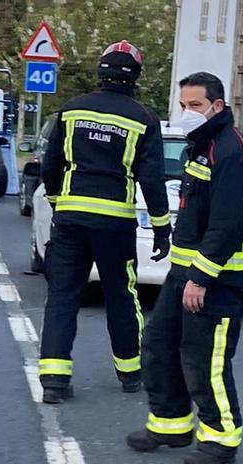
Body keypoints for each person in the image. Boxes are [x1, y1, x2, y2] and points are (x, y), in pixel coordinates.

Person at [125, 72, 243, 464]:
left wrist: (201, 277)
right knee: (158, 345)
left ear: (217, 106)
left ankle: (221, 439)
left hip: (215, 280)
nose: (187, 113)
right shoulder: (203, 146)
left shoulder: (232, 152)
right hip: (184, 274)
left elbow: (227, 224)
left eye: (195, 106)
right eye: (183, 106)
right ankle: (170, 424)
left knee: (205, 361)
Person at [38, 40, 172, 404]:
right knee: (122, 296)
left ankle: (54, 379)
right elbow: (151, 178)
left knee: (63, 296)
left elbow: (51, 166)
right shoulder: (143, 119)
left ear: (101, 72)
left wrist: (56, 202)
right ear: (135, 77)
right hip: (115, 223)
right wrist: (161, 228)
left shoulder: (71, 110)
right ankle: (130, 373)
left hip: (70, 220)